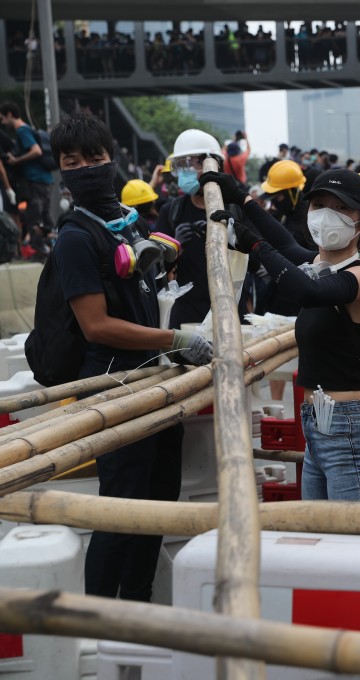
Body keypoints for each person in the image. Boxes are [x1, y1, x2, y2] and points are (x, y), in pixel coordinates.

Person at [49, 113, 212, 599]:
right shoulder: (76, 238)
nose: (86, 168)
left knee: (157, 505)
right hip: (113, 388)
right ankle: (101, 619)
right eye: (72, 162)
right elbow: (96, 325)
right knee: (120, 511)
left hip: (152, 383)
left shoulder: (125, 222)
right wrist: (175, 342)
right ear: (61, 171)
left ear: (111, 159)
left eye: (94, 158)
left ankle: (138, 609)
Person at [201, 168, 360, 500]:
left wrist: (253, 244)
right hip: (318, 423)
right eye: (319, 204)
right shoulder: (319, 263)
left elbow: (306, 290)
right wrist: (241, 197)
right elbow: (286, 244)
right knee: (320, 538)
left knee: (354, 544)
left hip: (349, 427)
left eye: (341, 208)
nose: (326, 215)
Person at [155, 129, 228, 328]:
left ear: (212, 164)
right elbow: (157, 270)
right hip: (186, 312)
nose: (185, 171)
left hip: (230, 309)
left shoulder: (234, 208)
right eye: (180, 165)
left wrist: (231, 238)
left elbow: (256, 262)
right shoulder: (171, 212)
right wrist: (174, 250)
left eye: (190, 163)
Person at [0, 102, 54, 254]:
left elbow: (36, 151)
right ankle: (50, 247)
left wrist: (17, 160)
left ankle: (40, 251)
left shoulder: (22, 131)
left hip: (35, 180)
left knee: (34, 218)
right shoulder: (27, 129)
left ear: (10, 114)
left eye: (3, 118)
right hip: (43, 180)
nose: (3, 123)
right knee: (44, 217)